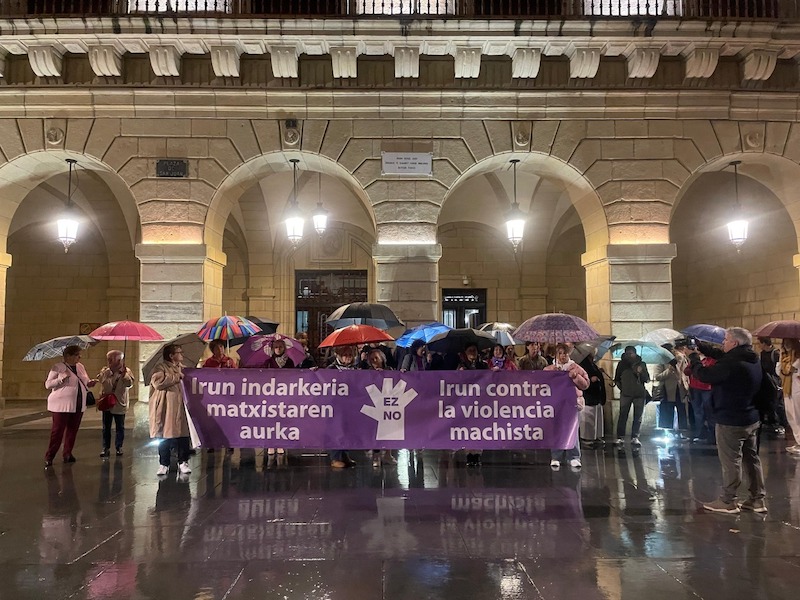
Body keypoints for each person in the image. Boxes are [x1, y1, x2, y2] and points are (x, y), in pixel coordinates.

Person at [688, 327, 766, 514]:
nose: (723, 342)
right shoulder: (751, 358)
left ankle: (728, 500)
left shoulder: (732, 364)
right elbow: (722, 356)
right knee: (751, 459)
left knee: (731, 461)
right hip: (750, 417)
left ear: (735, 343)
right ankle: (757, 499)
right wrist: (701, 346)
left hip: (730, 419)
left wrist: (694, 358)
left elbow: (705, 375)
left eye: (726, 340)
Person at [44, 345, 98, 466]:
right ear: (68, 356)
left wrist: (90, 383)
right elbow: (48, 384)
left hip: (78, 403)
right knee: (57, 431)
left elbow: (85, 381)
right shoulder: (58, 367)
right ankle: (50, 456)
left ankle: (67, 453)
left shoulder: (80, 367)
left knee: (72, 430)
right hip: (61, 404)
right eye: (77, 355)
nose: (79, 357)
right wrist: (60, 379)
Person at [149, 344, 192, 477]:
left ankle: (183, 461)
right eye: (179, 352)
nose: (181, 354)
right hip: (166, 407)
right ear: (171, 355)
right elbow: (158, 383)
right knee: (164, 435)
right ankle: (164, 463)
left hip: (181, 406)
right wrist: (176, 376)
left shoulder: (183, 368)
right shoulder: (160, 367)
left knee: (183, 434)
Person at [546, 343, 589, 469]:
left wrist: (575, 377)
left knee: (572, 429)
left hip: (572, 403)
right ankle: (556, 456)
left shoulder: (576, 368)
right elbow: (543, 384)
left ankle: (574, 456)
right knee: (557, 429)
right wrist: (552, 375)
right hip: (556, 403)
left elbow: (585, 384)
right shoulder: (550, 369)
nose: (562, 355)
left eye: (564, 353)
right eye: (559, 353)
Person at [96, 350, 134, 458]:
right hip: (107, 403)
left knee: (120, 427)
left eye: (112, 359)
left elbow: (129, 384)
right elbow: (101, 381)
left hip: (119, 403)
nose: (109, 361)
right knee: (106, 427)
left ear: (119, 360)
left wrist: (125, 375)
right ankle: (105, 448)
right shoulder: (105, 371)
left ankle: (119, 447)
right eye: (109, 359)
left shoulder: (126, 372)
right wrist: (105, 374)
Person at [364, 348, 397, 468]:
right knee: (375, 431)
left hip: (388, 405)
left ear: (382, 359)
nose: (374, 361)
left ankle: (388, 454)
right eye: (372, 359)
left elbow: (396, 381)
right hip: (375, 405)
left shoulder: (389, 370)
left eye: (376, 358)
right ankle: (376, 456)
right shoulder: (368, 372)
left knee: (389, 430)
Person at [327, 345, 358, 468]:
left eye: (350, 355)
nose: (348, 357)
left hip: (350, 404)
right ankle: (335, 458)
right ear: (338, 356)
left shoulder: (355, 369)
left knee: (348, 430)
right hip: (335, 404)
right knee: (337, 430)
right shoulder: (331, 368)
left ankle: (345, 454)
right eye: (345, 355)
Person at [263, 338, 294, 455]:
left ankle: (281, 443)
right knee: (270, 420)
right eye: (276, 347)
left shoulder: (289, 362)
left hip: (285, 394)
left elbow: (295, 375)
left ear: (284, 348)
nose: (278, 349)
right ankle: (270, 444)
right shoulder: (268, 362)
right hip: (271, 394)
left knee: (283, 419)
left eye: (280, 347)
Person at [458, 343, 488, 466]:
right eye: (470, 350)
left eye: (474, 350)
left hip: (480, 402)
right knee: (468, 428)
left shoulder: (483, 365)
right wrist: (459, 373)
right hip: (467, 402)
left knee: (479, 428)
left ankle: (478, 454)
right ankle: (469, 454)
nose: (472, 353)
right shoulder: (462, 366)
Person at [613, 346, 649, 446]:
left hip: (639, 394)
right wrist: (622, 388)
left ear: (635, 353)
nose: (629, 355)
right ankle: (620, 437)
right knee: (623, 415)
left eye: (631, 353)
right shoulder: (621, 364)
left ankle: (635, 437)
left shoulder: (642, 364)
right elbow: (617, 379)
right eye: (627, 353)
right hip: (626, 394)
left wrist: (641, 372)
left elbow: (647, 379)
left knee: (638, 416)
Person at [684, 340, 718, 444]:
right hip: (695, 388)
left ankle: (712, 435)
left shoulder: (712, 360)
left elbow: (707, 374)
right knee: (698, 412)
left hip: (707, 389)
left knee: (709, 412)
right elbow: (686, 371)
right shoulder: (697, 359)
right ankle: (700, 434)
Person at [653, 344, 689, 438]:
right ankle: (667, 431)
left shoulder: (680, 358)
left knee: (682, 410)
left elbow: (684, 372)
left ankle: (682, 431)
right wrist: (669, 370)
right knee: (667, 410)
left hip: (680, 389)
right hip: (667, 390)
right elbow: (658, 376)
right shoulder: (660, 360)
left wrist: (686, 385)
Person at [760, 336, 788, 437]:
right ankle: (771, 422)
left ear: (764, 343)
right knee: (769, 402)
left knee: (777, 403)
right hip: (766, 381)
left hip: (775, 381)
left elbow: (778, 369)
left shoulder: (775, 353)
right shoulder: (762, 353)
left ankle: (781, 423)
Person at [579, 351, 606, 447]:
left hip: (596, 396)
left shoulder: (593, 364)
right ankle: (586, 438)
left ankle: (596, 436)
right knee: (588, 418)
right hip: (589, 395)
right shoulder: (583, 364)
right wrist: (590, 379)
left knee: (597, 418)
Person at [778, 338, 800, 455]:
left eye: (789, 342)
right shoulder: (784, 356)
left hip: (797, 389)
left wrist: (794, 366)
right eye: (785, 342)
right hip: (787, 389)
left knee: (798, 416)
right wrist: (781, 361)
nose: (786, 344)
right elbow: (779, 372)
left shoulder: (797, 357)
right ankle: (798, 441)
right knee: (791, 415)